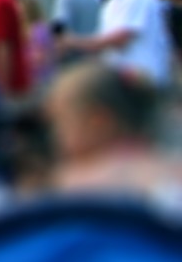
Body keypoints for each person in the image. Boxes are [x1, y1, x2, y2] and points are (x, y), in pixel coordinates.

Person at [44, 62, 182, 209]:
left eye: (58, 122)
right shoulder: (169, 165)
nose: (53, 134)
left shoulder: (78, 180)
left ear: (97, 121)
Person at [58, 0, 176, 88]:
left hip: (146, 84)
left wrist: (72, 41)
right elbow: (102, 44)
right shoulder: (110, 5)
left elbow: (120, 39)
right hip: (124, 85)